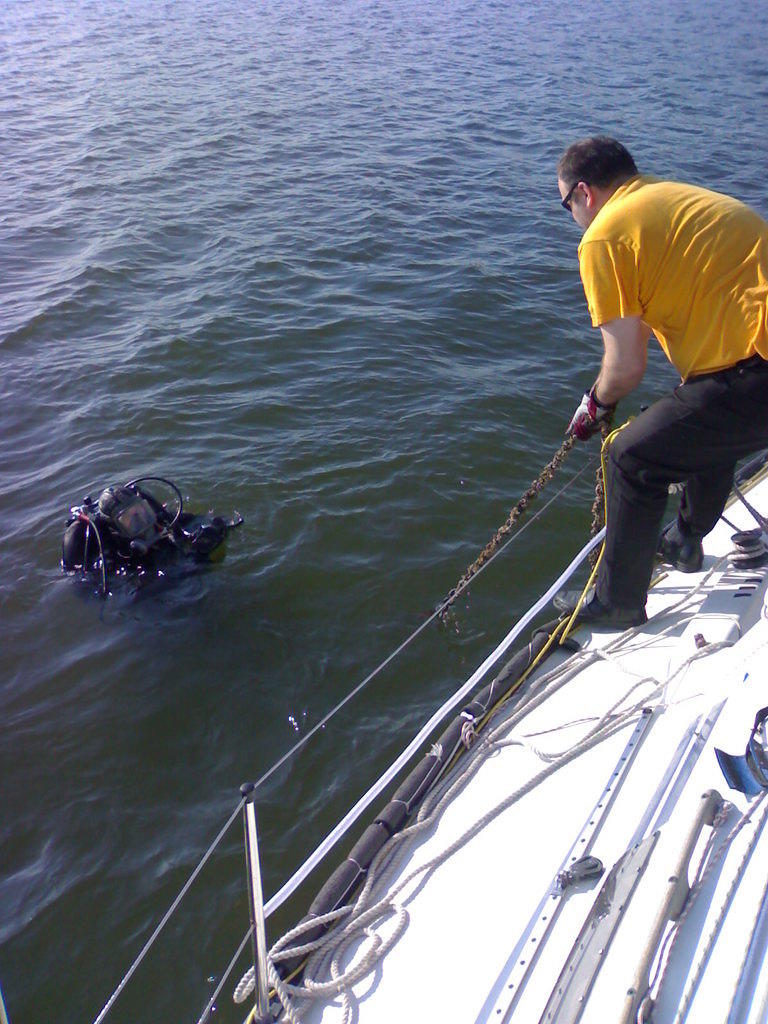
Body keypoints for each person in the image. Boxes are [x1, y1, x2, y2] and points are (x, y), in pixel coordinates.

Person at [554, 136, 768, 627]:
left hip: (757, 372)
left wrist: (595, 404)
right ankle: (686, 541)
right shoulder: (674, 201)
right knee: (703, 415)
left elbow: (626, 367)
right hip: (747, 365)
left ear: (584, 193)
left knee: (630, 455)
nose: (572, 217)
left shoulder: (604, 235)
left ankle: (618, 603)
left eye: (566, 205)